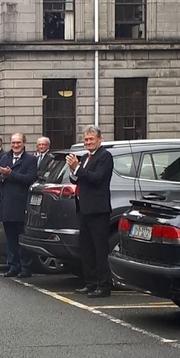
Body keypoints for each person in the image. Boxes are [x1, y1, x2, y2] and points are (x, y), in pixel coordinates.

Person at [67, 126, 114, 298]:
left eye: (91, 139)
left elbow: (97, 179)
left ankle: (103, 285)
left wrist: (78, 169)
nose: (88, 142)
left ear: (100, 139)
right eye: (86, 139)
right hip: (84, 208)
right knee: (86, 249)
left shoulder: (105, 157)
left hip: (98, 210)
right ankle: (91, 282)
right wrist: (73, 171)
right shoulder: (86, 157)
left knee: (100, 249)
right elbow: (79, 179)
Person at [0, 133, 38, 278]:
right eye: (13, 143)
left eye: (18, 142)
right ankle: (13, 265)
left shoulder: (30, 160)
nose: (15, 145)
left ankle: (25, 267)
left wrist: (11, 174)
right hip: (7, 203)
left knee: (22, 237)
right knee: (10, 238)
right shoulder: (5, 157)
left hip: (21, 204)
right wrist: (2, 176)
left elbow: (30, 178)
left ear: (24, 143)